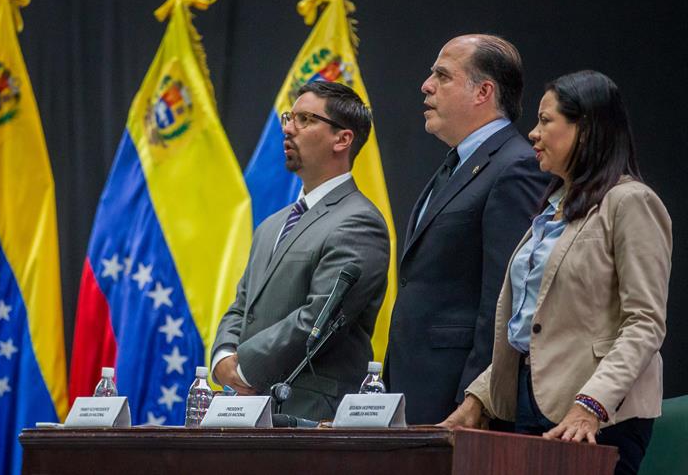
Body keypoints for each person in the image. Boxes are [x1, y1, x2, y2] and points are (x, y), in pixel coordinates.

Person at [442, 70, 672, 475]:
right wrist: (478, 399)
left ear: (585, 129)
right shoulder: (554, 207)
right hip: (530, 403)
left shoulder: (631, 202)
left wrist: (592, 404)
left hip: (600, 417)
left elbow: (645, 324)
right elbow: (533, 327)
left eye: (546, 121)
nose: (532, 133)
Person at [385, 34, 549, 424]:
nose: (426, 85)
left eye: (442, 76)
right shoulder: (457, 163)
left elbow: (504, 298)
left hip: (458, 399)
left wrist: (477, 398)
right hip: (415, 386)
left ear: (483, 92)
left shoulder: (515, 167)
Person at [211, 81, 390, 420]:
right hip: (248, 410)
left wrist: (244, 367)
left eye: (305, 119)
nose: (288, 129)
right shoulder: (271, 226)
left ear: (343, 139)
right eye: (288, 117)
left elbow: (318, 318)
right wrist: (223, 358)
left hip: (310, 415)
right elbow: (241, 307)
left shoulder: (359, 222)